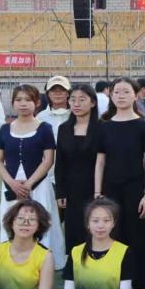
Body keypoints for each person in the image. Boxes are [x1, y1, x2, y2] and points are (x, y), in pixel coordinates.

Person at [0, 84, 64, 269]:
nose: (23, 104)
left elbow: (48, 160)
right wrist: (11, 183)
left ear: (37, 102)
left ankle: (42, 264)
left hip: (38, 185)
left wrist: (29, 184)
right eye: (19, 100)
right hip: (10, 185)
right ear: (13, 103)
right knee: (11, 220)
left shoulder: (45, 128)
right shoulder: (4, 129)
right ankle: (12, 261)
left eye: (28, 99)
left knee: (40, 221)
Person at [94, 78, 145, 289]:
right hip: (110, 190)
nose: (121, 95)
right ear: (111, 96)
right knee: (113, 236)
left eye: (126, 91)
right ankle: (115, 287)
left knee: (137, 238)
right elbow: (100, 162)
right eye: (117, 92)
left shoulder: (144, 126)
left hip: (136, 189)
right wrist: (97, 192)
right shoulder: (104, 127)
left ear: (135, 95)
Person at [55, 84, 102, 252]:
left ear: (93, 103)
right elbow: (60, 162)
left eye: (82, 100)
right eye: (73, 99)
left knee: (95, 227)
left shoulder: (102, 128)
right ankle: (74, 263)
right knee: (73, 228)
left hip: (96, 188)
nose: (76, 104)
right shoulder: (64, 129)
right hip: (71, 189)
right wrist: (60, 192)